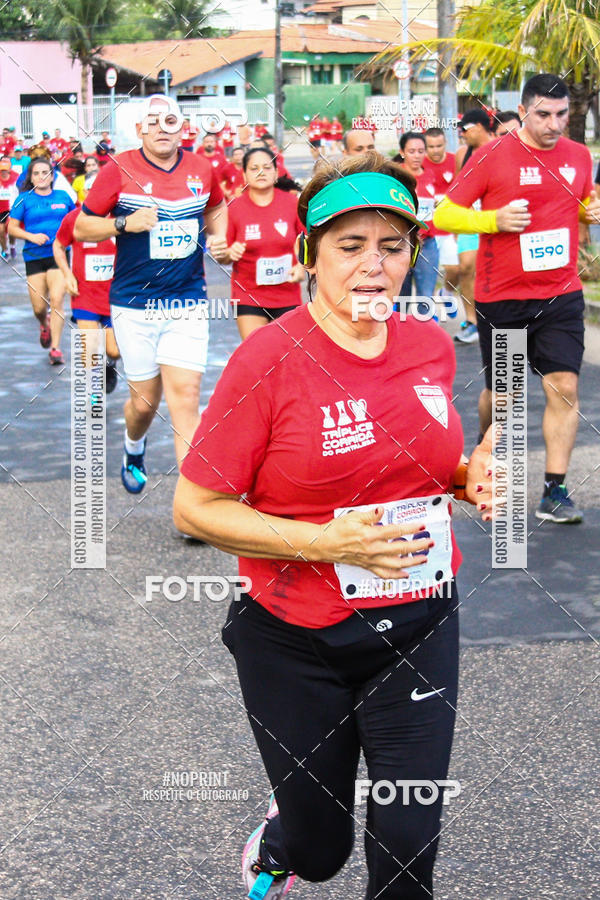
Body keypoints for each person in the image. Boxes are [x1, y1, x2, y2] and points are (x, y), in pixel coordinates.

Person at [174, 150, 500, 900]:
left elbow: (421, 466)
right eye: (350, 247)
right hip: (295, 639)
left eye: (392, 247)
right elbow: (196, 508)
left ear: (414, 254)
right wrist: (329, 543)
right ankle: (282, 838)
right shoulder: (267, 361)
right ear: (308, 257)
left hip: (417, 622)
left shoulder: (426, 345)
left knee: (410, 842)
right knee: (320, 849)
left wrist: (467, 478)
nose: (373, 267)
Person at [434, 73, 600, 523]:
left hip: (561, 293)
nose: (554, 124)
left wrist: (590, 210)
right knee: (504, 397)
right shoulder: (493, 155)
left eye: (562, 114)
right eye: (544, 114)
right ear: (524, 111)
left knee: (563, 386)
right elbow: (443, 213)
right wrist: (493, 220)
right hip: (502, 297)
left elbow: (583, 203)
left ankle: (554, 490)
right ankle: (488, 439)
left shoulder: (579, 156)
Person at [74, 94, 226, 492]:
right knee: (144, 404)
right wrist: (125, 224)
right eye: (153, 122)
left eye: (170, 120)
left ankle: (193, 503)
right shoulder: (118, 170)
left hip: (186, 301)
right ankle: (133, 445)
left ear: (182, 127)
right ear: (140, 129)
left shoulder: (201, 168)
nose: (162, 128)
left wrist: (221, 238)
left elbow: (215, 209)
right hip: (133, 304)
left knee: (186, 399)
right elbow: (82, 229)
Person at [216, 146, 304, 340]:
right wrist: (229, 253)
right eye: (254, 168)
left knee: (287, 358)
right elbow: (223, 257)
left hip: (287, 295)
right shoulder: (235, 208)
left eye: (266, 167)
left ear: (276, 173)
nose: (261, 172)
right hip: (249, 295)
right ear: (245, 176)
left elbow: (308, 240)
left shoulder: (292, 203)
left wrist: (302, 266)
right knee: (257, 356)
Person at [53, 173, 120, 398]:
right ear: (84, 192)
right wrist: (67, 274)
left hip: (114, 294)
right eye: (89, 190)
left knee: (114, 349)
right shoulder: (74, 218)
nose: (93, 195)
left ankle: (110, 364)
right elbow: (58, 246)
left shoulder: (118, 218)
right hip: (85, 293)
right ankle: (94, 395)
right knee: (89, 347)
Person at [8, 157, 75, 364]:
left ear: (52, 175)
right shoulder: (24, 199)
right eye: (36, 173)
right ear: (31, 177)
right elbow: (11, 227)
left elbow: (76, 221)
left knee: (56, 299)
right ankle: (43, 323)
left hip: (59, 255)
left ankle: (55, 348)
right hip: (34, 257)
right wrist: (31, 237)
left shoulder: (63, 197)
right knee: (39, 308)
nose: (41, 177)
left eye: (45, 172)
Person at [451, 109, 494, 343]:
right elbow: (458, 190)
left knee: (494, 271)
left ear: (479, 126)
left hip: (496, 221)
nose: (462, 134)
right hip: (469, 220)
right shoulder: (462, 153)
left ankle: (494, 319)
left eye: (465, 130)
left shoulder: (500, 148)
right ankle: (471, 321)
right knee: (466, 268)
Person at [394, 132, 439, 301]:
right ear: (402, 152)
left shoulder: (431, 176)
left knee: (425, 297)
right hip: (400, 243)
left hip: (427, 244)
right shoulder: (396, 176)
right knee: (399, 297)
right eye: (412, 151)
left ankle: (424, 326)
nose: (417, 156)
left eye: (421, 151)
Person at [423, 127, 459, 302]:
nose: (435, 150)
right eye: (431, 146)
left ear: (445, 144)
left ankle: (446, 292)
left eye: (439, 145)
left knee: (455, 269)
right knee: (427, 277)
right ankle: (428, 319)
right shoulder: (420, 164)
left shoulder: (454, 161)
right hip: (428, 230)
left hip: (449, 227)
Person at [0, 157, 19, 260]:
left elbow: (19, 195)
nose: (3, 173)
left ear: (9, 170)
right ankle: (5, 250)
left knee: (11, 229)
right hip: (0, 208)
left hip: (11, 208)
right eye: (1, 170)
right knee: (1, 231)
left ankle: (12, 246)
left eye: (5, 170)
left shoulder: (15, 180)